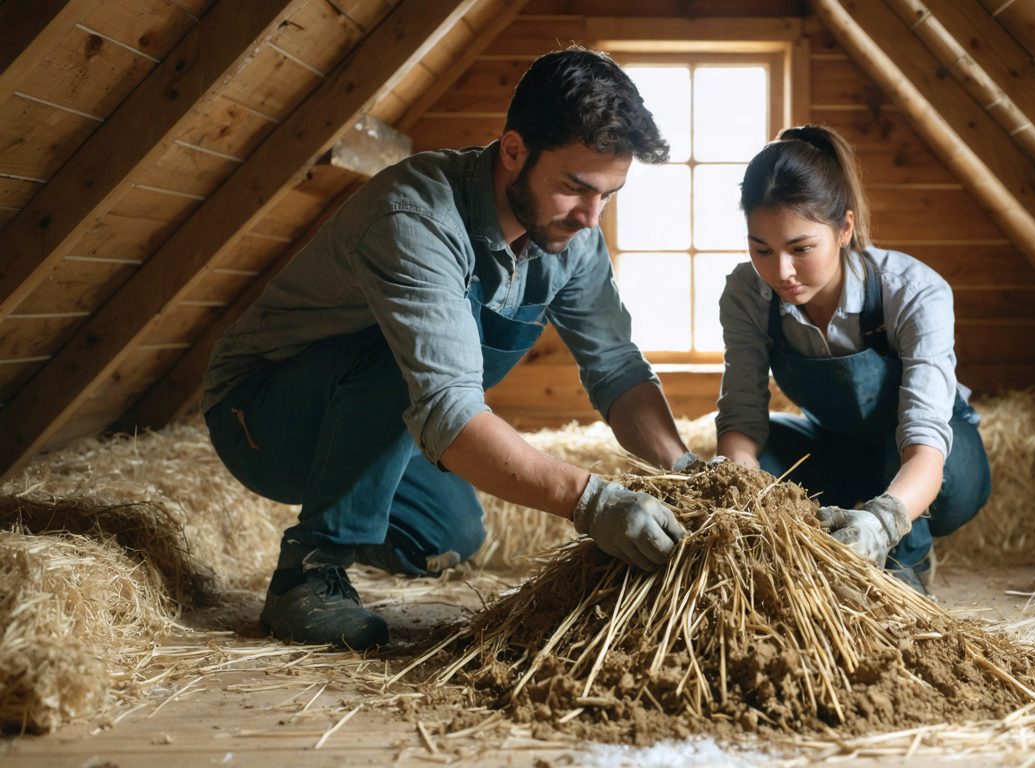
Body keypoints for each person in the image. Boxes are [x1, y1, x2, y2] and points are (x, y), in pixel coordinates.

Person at [203, 48, 699, 651]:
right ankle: (308, 573)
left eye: (608, 195)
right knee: (396, 353)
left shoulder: (571, 240)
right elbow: (445, 407)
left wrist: (686, 470)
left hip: (380, 419)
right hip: (263, 418)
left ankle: (355, 512)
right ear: (513, 151)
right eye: (575, 188)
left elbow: (616, 367)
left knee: (448, 535)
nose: (591, 218)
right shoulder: (415, 216)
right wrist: (592, 501)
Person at [714, 125, 992, 595]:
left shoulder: (913, 292)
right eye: (761, 249)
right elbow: (741, 416)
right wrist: (745, 505)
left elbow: (924, 438)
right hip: (837, 446)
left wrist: (882, 523)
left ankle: (906, 561)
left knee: (921, 460)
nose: (781, 271)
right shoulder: (747, 293)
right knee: (757, 448)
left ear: (844, 229)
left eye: (801, 249)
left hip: (928, 456)